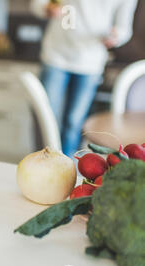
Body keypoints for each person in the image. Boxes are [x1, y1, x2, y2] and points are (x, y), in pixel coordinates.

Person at [31, 0, 137, 156]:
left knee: (74, 122)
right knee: (46, 118)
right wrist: (46, 8)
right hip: (56, 55)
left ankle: (66, 164)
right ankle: (41, 162)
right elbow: (38, 4)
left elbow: (124, 29)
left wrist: (116, 36)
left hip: (91, 61)